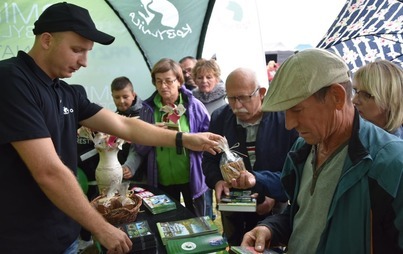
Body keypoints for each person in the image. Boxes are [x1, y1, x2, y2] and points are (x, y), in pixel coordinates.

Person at [0, 3, 221, 254]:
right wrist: (100, 227)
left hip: (64, 232)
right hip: (23, 238)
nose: (84, 62)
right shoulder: (12, 80)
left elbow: (124, 124)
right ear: (47, 40)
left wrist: (184, 138)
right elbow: (48, 171)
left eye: (87, 52)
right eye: (77, 50)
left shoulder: (65, 91)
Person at [242, 49, 403, 253]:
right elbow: (303, 215)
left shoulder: (392, 163)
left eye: (297, 110)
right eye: (285, 112)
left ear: (336, 97)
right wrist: (270, 228)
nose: (289, 124)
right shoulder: (303, 148)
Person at [202, 67, 299, 246]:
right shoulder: (220, 118)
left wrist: (273, 194)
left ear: (261, 93)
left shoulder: (285, 119)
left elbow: (294, 168)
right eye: (231, 98)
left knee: (266, 246)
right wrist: (217, 181)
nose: (237, 105)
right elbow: (209, 159)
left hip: (273, 208)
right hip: (233, 204)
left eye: (243, 98)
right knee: (234, 244)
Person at [122, 58, 212, 217]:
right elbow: (139, 147)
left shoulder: (194, 106)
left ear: (179, 81)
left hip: (193, 179)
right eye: (159, 81)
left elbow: (209, 140)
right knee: (168, 223)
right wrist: (151, 134)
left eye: (169, 81)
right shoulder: (147, 109)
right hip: (161, 180)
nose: (163, 86)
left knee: (199, 221)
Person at [352, 60, 403, 139]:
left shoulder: (395, 148)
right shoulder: (354, 130)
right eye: (355, 91)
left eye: (365, 95)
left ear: (390, 100)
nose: (354, 100)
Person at [110, 76, 145, 180]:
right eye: (117, 97)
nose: (121, 101)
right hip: (121, 172)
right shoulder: (114, 116)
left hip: (142, 174)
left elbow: (139, 146)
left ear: (133, 95)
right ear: (112, 96)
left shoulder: (145, 114)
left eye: (125, 97)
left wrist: (130, 166)